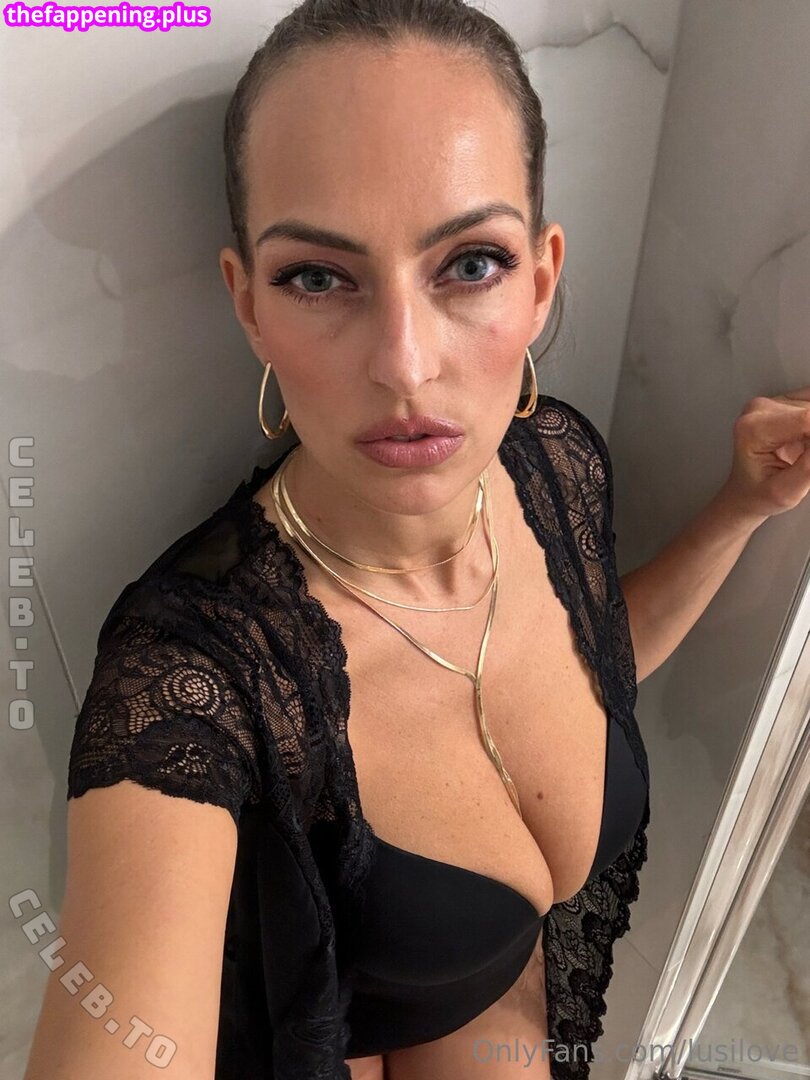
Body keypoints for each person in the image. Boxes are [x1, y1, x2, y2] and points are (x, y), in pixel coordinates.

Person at [25, 2, 810, 1079]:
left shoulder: (553, 464)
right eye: (317, 277)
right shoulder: (193, 673)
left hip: (494, 1006)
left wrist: (741, 508)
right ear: (248, 304)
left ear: (541, 279)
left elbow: (592, 662)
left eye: (471, 263)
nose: (404, 363)